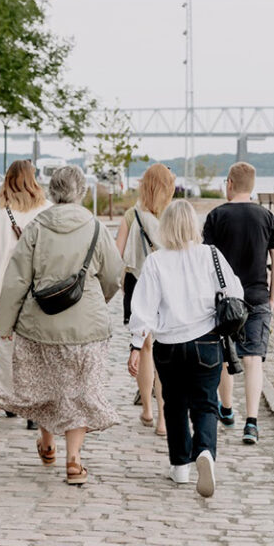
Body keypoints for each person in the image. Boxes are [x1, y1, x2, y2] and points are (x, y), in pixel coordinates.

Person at [0, 165, 123, 485]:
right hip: (87, 329)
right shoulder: (95, 227)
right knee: (82, 391)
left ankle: (47, 443)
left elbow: (17, 278)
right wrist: (95, 301)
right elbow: (113, 274)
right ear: (81, 192)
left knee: (44, 386)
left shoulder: (37, 227)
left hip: (39, 325)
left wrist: (5, 323)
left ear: (51, 190)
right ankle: (74, 460)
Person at [128, 199, 243, 498]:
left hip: (168, 345)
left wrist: (136, 346)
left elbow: (143, 308)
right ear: (194, 225)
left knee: (174, 403)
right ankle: (205, 451)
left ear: (165, 227)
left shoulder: (155, 261)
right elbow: (236, 293)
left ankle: (180, 466)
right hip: (206, 340)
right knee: (206, 403)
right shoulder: (211, 255)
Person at [202, 161, 274, 445]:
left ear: (229, 183)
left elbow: (205, 260)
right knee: (253, 360)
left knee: (226, 355)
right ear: (252, 186)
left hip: (224, 300)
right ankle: (251, 423)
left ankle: (226, 409)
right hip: (258, 297)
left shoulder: (216, 216)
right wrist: (273, 297)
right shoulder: (266, 216)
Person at [0, 160, 51, 430]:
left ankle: (10, 399)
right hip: (38, 286)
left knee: (7, 344)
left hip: (6, 287)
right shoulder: (46, 211)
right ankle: (33, 404)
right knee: (35, 346)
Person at [114, 163, 175, 433]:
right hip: (166, 286)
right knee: (162, 349)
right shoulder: (172, 215)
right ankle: (164, 418)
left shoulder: (131, 214)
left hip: (137, 284)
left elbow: (117, 253)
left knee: (145, 346)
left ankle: (148, 411)